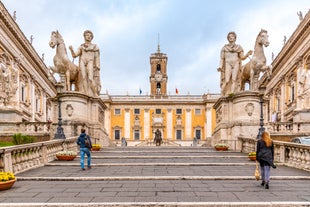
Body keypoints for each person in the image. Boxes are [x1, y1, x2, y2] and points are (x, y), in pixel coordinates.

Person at [69, 30, 101, 96]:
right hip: (82, 61)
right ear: (84, 36)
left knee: (90, 78)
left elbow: (97, 56)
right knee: (83, 77)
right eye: (87, 35)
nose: (89, 37)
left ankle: (95, 93)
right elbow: (74, 55)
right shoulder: (81, 46)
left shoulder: (95, 46)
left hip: (90, 61)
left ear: (92, 37)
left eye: (90, 36)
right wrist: (71, 50)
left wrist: (97, 65)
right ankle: (86, 94)